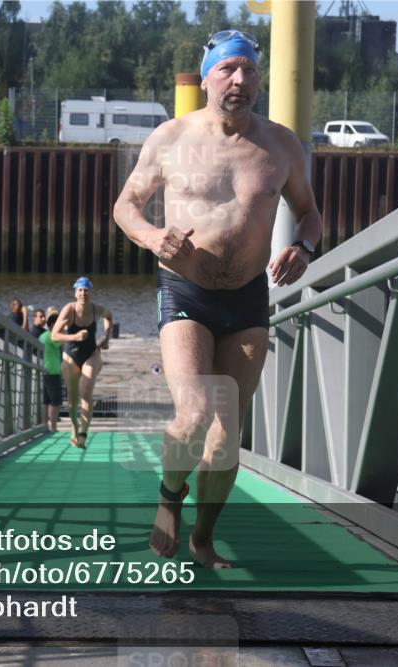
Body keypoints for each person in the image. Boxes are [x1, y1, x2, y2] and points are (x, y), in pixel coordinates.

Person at [113, 30, 322, 568]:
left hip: (248, 297)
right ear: (206, 77)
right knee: (195, 412)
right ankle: (168, 499)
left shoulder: (281, 144)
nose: (241, 80)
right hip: (186, 289)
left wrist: (304, 245)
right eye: (228, 69)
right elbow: (126, 206)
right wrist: (154, 237)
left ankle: (203, 540)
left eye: (250, 71)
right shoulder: (171, 137)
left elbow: (310, 212)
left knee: (228, 432)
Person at [50, 277, 113, 449]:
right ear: (75, 292)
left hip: (91, 354)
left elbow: (109, 316)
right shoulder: (69, 309)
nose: (83, 293)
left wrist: (106, 338)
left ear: (90, 292)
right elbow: (54, 336)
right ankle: (74, 426)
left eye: (86, 290)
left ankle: (84, 432)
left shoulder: (96, 309)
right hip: (71, 356)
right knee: (72, 401)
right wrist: (74, 337)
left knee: (86, 390)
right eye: (80, 290)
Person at [39, 308, 63, 432]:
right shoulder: (53, 336)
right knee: (55, 402)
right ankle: (53, 427)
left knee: (46, 400)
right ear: (54, 324)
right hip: (53, 371)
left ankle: (44, 425)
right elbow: (62, 343)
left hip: (44, 370)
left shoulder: (42, 336)